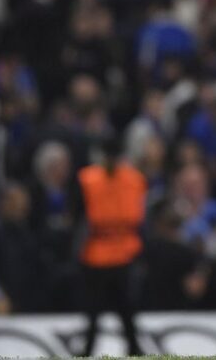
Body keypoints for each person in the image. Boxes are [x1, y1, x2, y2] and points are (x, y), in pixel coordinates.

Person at [78, 135, 147, 356]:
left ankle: (133, 347)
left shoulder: (132, 179)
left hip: (122, 250)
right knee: (96, 309)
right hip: (101, 250)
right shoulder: (88, 179)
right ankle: (90, 349)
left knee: (125, 308)